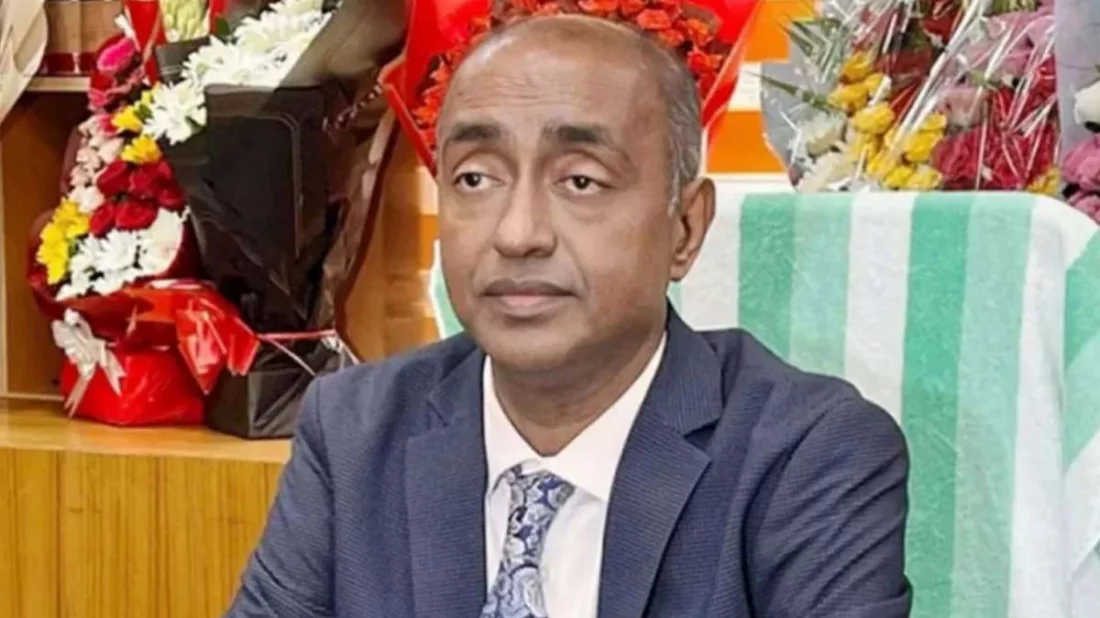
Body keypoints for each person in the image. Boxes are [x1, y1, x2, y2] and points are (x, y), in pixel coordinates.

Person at [227, 14, 911, 618]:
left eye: (580, 180)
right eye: (475, 178)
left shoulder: (809, 454)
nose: (518, 233)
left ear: (685, 229)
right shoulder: (355, 430)